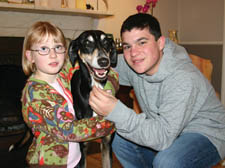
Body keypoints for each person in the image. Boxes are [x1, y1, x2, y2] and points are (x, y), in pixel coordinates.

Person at [89, 13, 225, 167]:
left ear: (160, 43)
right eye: (127, 46)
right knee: (119, 138)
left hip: (207, 134)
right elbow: (100, 65)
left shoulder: (183, 78)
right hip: (168, 130)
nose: (134, 53)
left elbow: (162, 137)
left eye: (142, 42)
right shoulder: (134, 64)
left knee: (168, 161)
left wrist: (115, 110)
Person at [21, 21, 118, 168]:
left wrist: (108, 87)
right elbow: (69, 129)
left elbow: (111, 73)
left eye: (58, 47)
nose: (53, 54)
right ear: (30, 56)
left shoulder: (61, 76)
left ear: (65, 52)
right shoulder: (36, 93)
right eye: (43, 49)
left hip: (74, 159)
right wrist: (113, 119)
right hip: (51, 164)